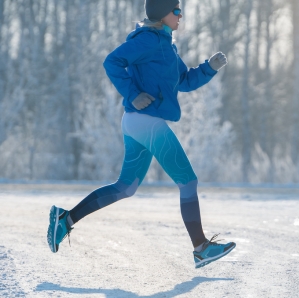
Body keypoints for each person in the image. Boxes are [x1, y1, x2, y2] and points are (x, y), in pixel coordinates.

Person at [46, 0, 235, 269]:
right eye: (176, 11)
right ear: (162, 15)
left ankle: (65, 220)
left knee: (125, 187)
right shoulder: (148, 40)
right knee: (188, 182)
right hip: (146, 122)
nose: (181, 15)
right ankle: (201, 248)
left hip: (138, 122)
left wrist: (209, 68)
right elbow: (112, 61)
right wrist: (133, 95)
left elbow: (184, 81)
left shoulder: (164, 44)